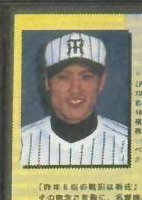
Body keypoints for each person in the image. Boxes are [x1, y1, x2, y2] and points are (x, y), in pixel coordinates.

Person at [20, 32, 128, 166]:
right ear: (47, 81)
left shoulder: (126, 145)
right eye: (63, 77)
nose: (75, 89)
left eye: (86, 77)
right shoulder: (20, 144)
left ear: (101, 81)